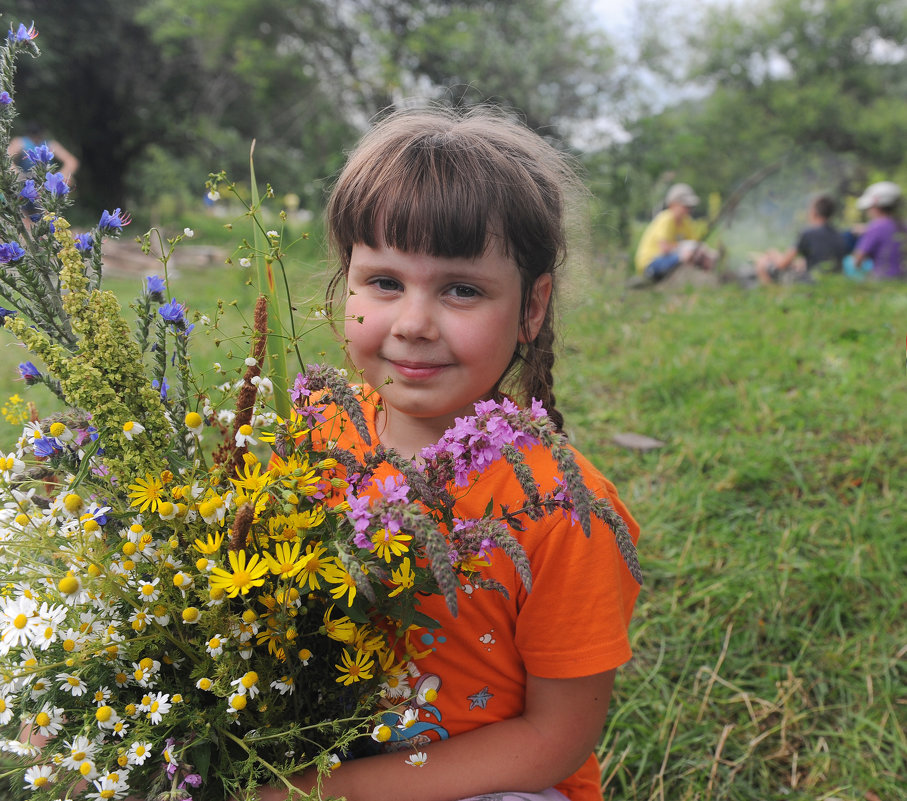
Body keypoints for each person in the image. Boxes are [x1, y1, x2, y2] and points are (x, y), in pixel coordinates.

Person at [255, 108, 642, 801]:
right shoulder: (312, 434)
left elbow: (550, 742)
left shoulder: (565, 512)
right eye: (383, 281)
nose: (412, 323)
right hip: (309, 752)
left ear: (531, 306)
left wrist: (310, 791)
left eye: (461, 289)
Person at [753, 193, 846, 284]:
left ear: (814, 212)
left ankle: (770, 294)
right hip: (834, 281)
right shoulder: (838, 234)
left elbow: (782, 264)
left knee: (762, 263)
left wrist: (773, 254)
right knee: (798, 265)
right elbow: (821, 259)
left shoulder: (808, 233)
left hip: (812, 282)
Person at [634, 182, 718, 281]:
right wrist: (685, 247)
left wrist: (704, 253)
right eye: (685, 206)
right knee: (685, 255)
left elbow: (695, 244)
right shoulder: (666, 219)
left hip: (670, 260)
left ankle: (706, 277)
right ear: (673, 204)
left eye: (690, 207)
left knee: (699, 253)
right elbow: (664, 248)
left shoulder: (686, 222)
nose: (688, 210)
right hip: (650, 263)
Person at [849, 181, 904, 280]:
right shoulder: (903, 225)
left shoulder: (875, 227)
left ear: (876, 207)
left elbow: (857, 261)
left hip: (883, 281)